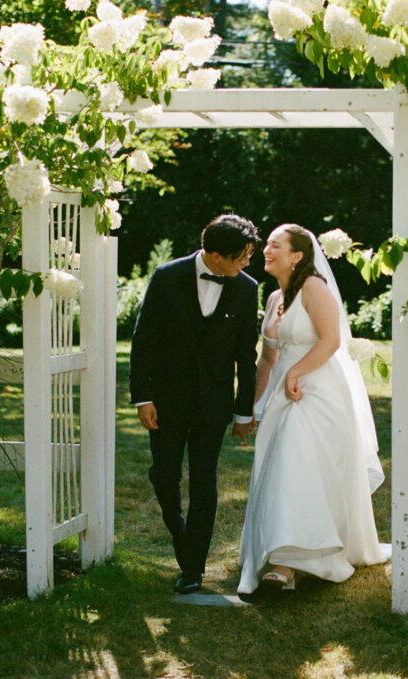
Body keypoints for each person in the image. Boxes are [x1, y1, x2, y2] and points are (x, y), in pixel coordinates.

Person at [237, 224, 386, 594]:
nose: (266, 251)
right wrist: (252, 405)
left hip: (317, 390)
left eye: (275, 246)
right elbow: (268, 359)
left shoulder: (314, 288)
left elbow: (331, 340)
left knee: (292, 457)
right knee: (281, 467)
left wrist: (298, 373)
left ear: (298, 255)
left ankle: (286, 563)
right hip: (282, 391)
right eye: (267, 245)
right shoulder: (274, 298)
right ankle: (288, 549)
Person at [130, 214, 262, 594]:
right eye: (241, 257)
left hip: (213, 405)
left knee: (205, 483)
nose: (247, 264)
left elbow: (244, 355)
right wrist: (143, 397)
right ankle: (182, 534)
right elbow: (143, 341)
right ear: (215, 254)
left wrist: (242, 411)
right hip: (165, 402)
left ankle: (193, 567)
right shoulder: (166, 276)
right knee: (165, 474)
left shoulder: (246, 287)